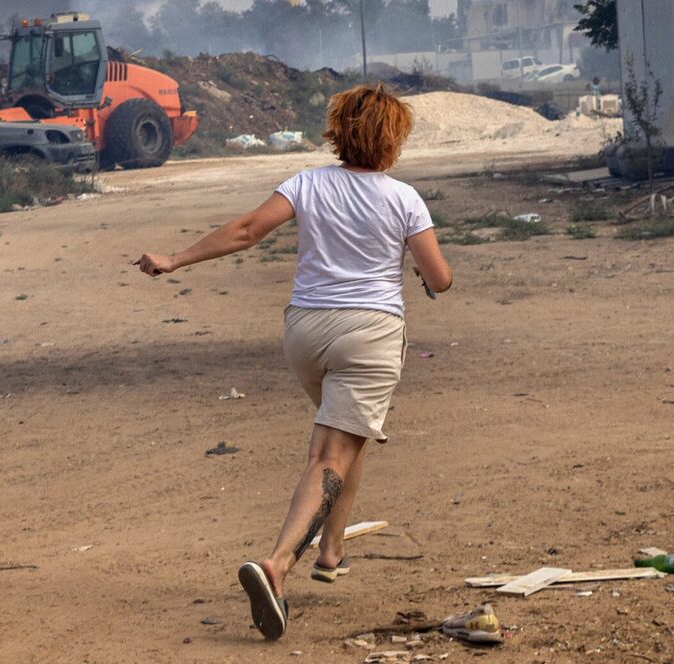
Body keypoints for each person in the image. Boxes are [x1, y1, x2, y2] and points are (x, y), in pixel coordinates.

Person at [134, 84, 452, 641]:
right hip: (369, 334)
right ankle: (278, 566)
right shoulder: (403, 199)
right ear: (392, 139)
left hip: (305, 333)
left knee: (344, 442)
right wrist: (421, 272)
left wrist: (175, 260)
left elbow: (247, 231)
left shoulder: (307, 183)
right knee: (332, 452)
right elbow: (440, 278)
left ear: (339, 131)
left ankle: (331, 551)